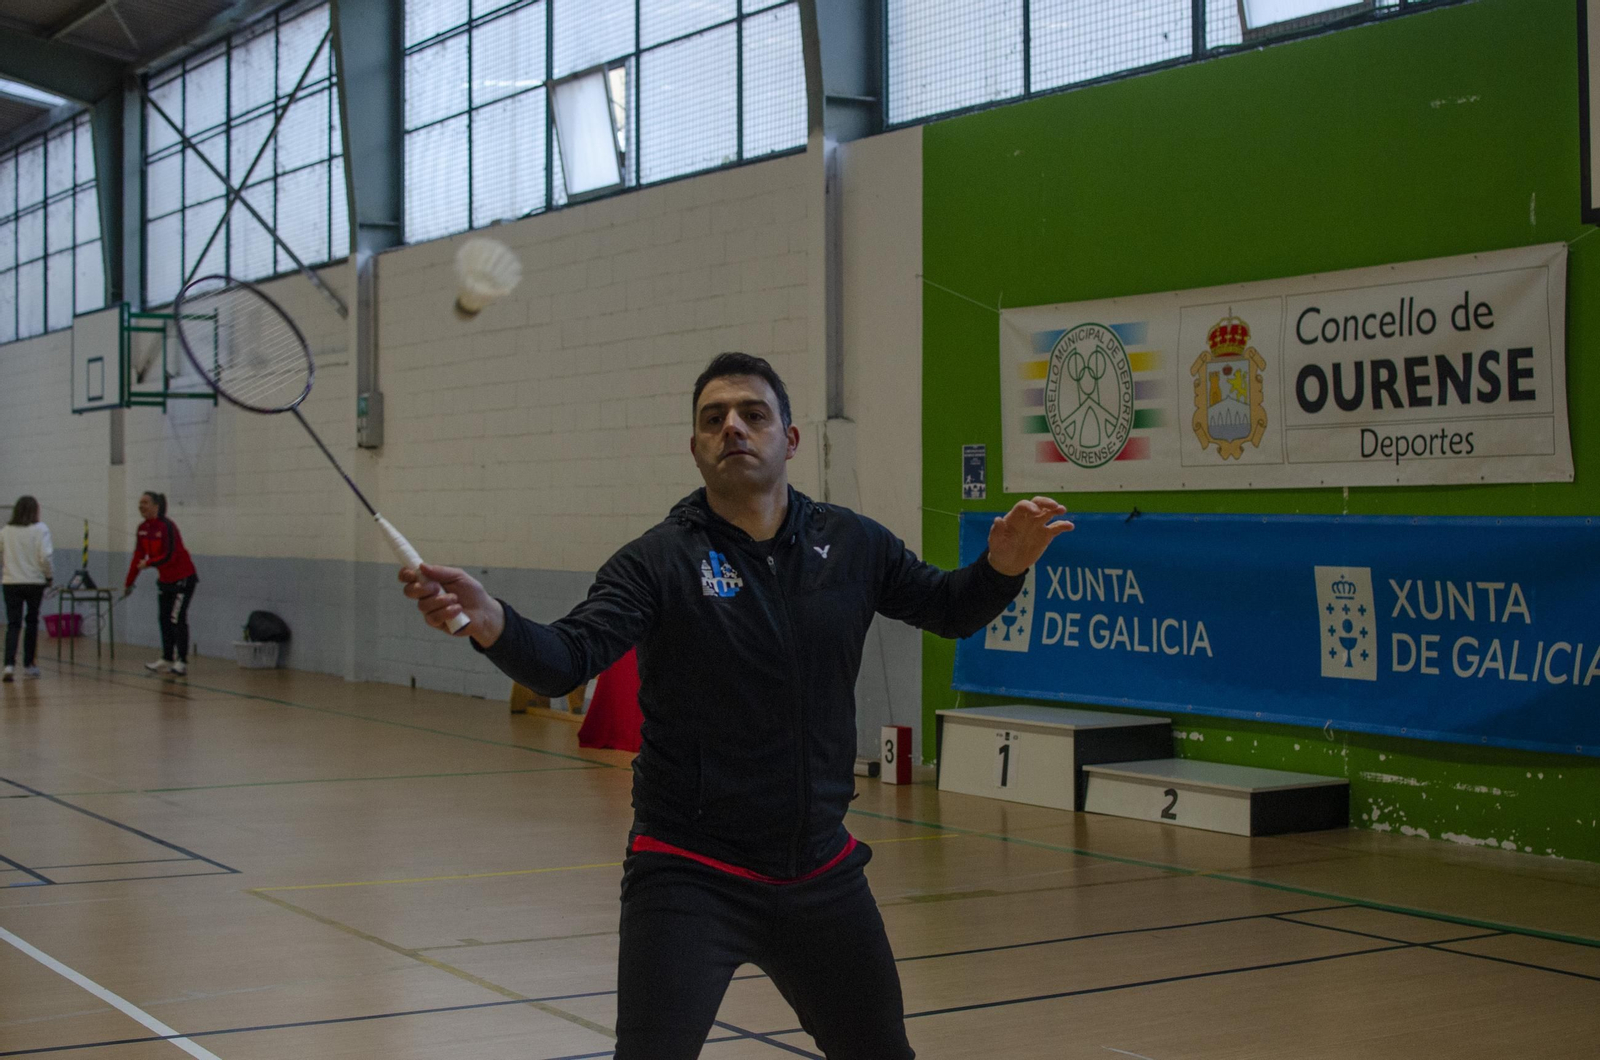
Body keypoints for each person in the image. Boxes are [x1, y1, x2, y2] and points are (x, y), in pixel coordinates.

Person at [401, 353, 1072, 1059]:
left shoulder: (853, 545)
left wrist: (1002, 567)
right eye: (713, 418)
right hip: (689, 874)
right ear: (695, 447)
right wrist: (492, 621)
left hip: (821, 873)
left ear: (790, 439)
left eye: (753, 414)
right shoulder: (655, 562)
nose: (733, 428)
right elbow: (569, 656)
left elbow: (949, 608)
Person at [124, 491, 198, 676]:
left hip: (183, 578)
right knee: (163, 618)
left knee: (177, 618)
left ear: (156, 506)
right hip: (165, 581)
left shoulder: (167, 526)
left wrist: (149, 563)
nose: (141, 506)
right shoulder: (142, 528)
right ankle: (167, 657)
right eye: (140, 503)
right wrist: (129, 582)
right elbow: (137, 557)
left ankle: (181, 660)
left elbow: (170, 555)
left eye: (145, 503)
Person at [2, 496, 53, 682]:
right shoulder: (41, 529)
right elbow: (45, 557)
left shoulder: (6, 531)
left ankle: (8, 665)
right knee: (31, 622)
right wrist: (49, 576)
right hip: (34, 582)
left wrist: (8, 568)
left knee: (13, 624)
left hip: (10, 582)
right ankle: (29, 665)